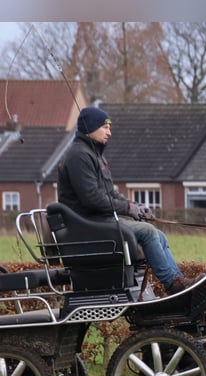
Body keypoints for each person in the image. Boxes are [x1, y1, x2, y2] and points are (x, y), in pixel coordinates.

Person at [57, 106, 197, 296]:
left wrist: (135, 207)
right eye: (105, 127)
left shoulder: (94, 155)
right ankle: (174, 285)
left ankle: (178, 280)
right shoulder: (79, 156)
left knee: (158, 235)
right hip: (88, 228)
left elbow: (110, 194)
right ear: (90, 128)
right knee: (148, 232)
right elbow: (92, 198)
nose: (109, 132)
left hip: (98, 223)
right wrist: (128, 208)